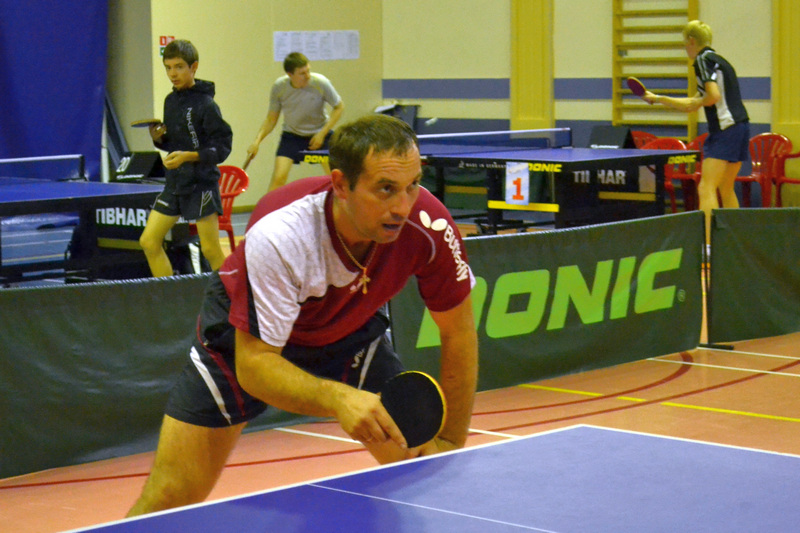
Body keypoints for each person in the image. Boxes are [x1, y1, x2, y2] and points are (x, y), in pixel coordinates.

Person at [127, 114, 479, 516]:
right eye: (385, 189)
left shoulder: (430, 226)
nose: (403, 206)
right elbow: (255, 366)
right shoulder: (283, 233)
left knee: (421, 470)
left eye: (412, 185)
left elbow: (458, 333)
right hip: (246, 338)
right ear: (341, 184)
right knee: (171, 494)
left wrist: (450, 442)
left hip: (348, 330)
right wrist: (338, 398)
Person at [642, 20, 749, 244]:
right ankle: (736, 242)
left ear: (691, 41)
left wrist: (701, 101)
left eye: (685, 43)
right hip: (741, 126)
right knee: (726, 187)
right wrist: (658, 98)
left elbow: (712, 96)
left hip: (725, 129)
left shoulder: (701, 60)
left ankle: (708, 244)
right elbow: (693, 103)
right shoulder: (721, 61)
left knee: (706, 187)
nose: (685, 48)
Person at [139, 39, 233, 277]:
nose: (173, 73)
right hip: (175, 183)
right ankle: (169, 294)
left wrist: (187, 157)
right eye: (168, 67)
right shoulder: (170, 101)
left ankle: (231, 296)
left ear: (194, 67)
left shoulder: (207, 105)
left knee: (211, 250)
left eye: (179, 67)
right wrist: (159, 139)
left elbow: (222, 148)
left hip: (201, 184)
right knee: (149, 241)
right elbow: (175, 143)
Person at [245, 52, 345, 191]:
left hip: (319, 136)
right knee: (279, 178)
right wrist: (257, 141)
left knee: (335, 178)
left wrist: (322, 133)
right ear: (290, 74)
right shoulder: (279, 87)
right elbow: (271, 119)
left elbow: (339, 107)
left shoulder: (321, 83)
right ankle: (270, 205)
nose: (307, 76)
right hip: (292, 137)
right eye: (302, 73)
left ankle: (340, 203)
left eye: (308, 71)